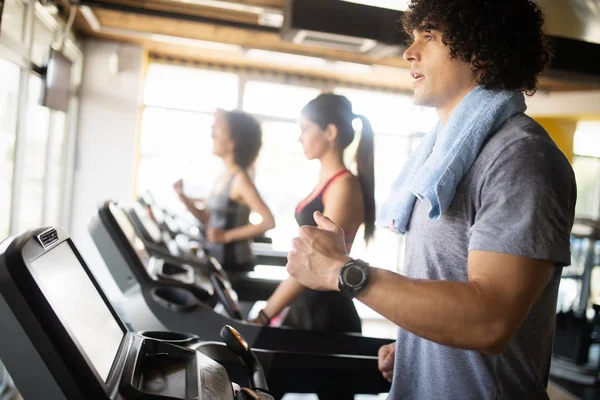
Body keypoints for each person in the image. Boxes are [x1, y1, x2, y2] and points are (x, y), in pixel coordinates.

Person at [284, 1, 576, 399]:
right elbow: (450, 288)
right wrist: (418, 346)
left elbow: (489, 320)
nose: (409, 52)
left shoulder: (522, 158)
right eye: (414, 37)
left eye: (430, 36)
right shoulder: (442, 163)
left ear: (481, 49)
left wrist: (344, 272)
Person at [254, 93, 375, 399]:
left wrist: (266, 314)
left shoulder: (343, 185)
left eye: (305, 128)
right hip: (308, 307)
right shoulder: (328, 179)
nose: (299, 138)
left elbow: (316, 263)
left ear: (330, 133)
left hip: (326, 316)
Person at [174, 108, 275, 272]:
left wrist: (226, 236)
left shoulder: (240, 179)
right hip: (217, 259)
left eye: (218, 131)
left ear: (233, 141)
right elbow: (206, 218)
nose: (212, 136)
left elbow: (268, 221)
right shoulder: (223, 176)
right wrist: (183, 197)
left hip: (234, 264)